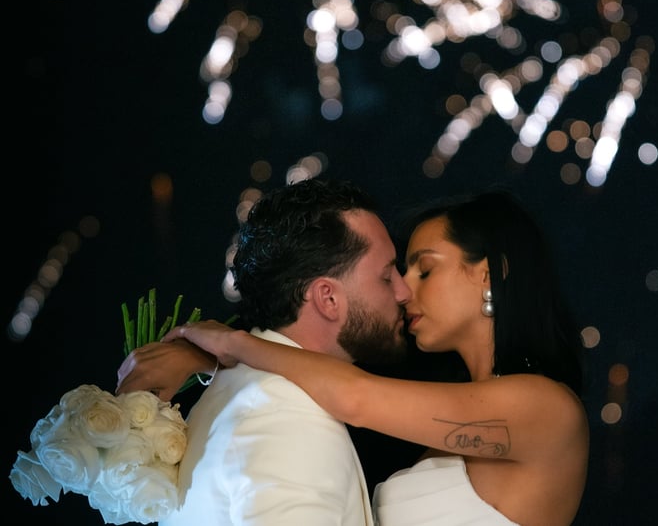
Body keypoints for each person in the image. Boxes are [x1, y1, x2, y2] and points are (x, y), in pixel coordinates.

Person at [119, 187, 590, 526]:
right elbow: (334, 373)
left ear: (489, 275)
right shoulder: (449, 400)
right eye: (398, 272)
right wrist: (210, 362)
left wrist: (232, 345)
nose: (404, 291)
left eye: (425, 269)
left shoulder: (548, 409)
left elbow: (356, 397)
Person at [118, 178, 412, 525]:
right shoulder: (287, 421)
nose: (404, 291)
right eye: (386, 275)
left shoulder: (237, 387)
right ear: (328, 298)